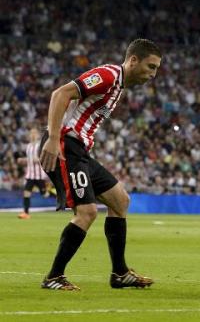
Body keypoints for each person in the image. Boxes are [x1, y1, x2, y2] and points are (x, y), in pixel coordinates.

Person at [38, 38, 161, 290]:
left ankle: (120, 273)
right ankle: (54, 277)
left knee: (120, 200)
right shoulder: (107, 75)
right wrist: (52, 139)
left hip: (79, 150)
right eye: (151, 67)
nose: (153, 74)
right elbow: (60, 93)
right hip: (64, 145)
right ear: (133, 60)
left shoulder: (119, 87)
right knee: (87, 212)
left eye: (156, 69)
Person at [17, 128, 52, 219]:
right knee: (26, 193)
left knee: (44, 194)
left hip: (39, 175)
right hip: (30, 175)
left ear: (37, 135)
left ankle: (58, 196)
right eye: (31, 133)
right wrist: (23, 160)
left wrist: (39, 159)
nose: (32, 135)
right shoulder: (28, 146)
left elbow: (44, 157)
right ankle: (26, 213)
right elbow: (30, 160)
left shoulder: (40, 145)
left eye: (34, 133)